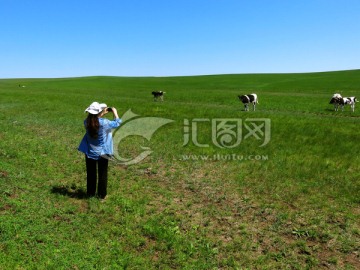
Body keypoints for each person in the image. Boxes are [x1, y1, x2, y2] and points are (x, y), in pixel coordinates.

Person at [78, 102, 121, 199]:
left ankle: (90, 193)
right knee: (102, 174)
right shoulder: (105, 122)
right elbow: (117, 123)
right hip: (103, 153)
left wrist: (101, 114)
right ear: (99, 112)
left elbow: (95, 120)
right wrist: (114, 112)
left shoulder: (86, 122)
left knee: (91, 173)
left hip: (90, 151)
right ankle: (102, 195)